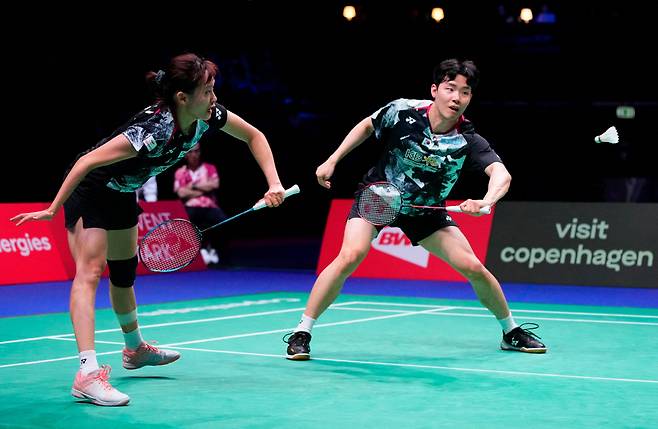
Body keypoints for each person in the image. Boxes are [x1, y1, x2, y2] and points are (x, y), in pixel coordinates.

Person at [10, 53, 288, 406]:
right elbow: (85, 162)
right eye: (207, 91)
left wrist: (274, 183)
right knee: (90, 272)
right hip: (92, 188)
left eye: (214, 89)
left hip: (124, 190)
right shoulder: (152, 128)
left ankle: (134, 349)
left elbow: (254, 136)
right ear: (182, 97)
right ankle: (87, 373)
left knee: (124, 274)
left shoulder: (208, 117)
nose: (214, 99)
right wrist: (52, 209)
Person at [284, 58, 546, 360]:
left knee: (473, 267)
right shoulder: (403, 111)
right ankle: (302, 331)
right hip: (379, 197)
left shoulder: (468, 139)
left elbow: (502, 175)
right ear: (435, 90)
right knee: (350, 255)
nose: (456, 98)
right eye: (450, 89)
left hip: (426, 210)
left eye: (464, 92)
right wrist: (332, 160)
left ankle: (511, 331)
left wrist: (486, 201)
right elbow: (367, 125)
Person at [174, 143, 226, 265]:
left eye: (197, 151)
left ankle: (214, 250)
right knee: (186, 223)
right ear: (186, 155)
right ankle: (197, 253)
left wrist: (192, 186)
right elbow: (181, 193)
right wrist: (204, 190)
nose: (194, 155)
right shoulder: (180, 172)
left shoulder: (209, 168)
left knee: (223, 221)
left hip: (209, 206)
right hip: (190, 207)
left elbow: (214, 185)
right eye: (191, 152)